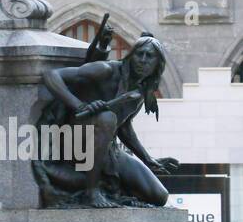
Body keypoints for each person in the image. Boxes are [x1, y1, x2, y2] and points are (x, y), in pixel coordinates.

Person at [33, 33, 178, 209]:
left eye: (150, 56)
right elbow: (51, 75)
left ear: (157, 64)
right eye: (140, 54)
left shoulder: (139, 91)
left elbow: (124, 127)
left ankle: (107, 186)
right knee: (106, 118)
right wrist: (79, 106)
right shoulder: (105, 70)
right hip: (71, 139)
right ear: (131, 56)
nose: (143, 60)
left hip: (107, 148)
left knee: (159, 196)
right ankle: (92, 191)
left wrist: (147, 158)